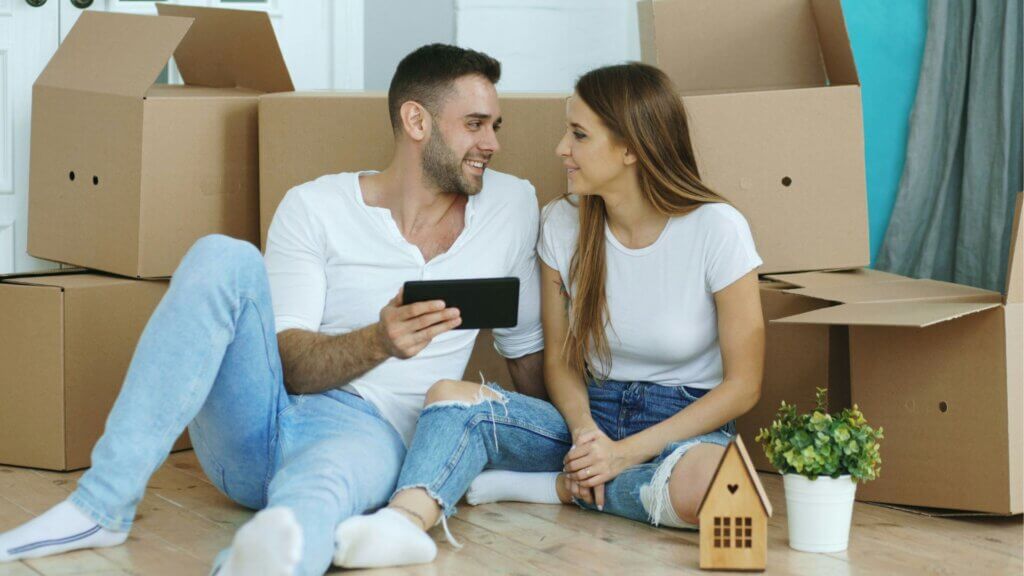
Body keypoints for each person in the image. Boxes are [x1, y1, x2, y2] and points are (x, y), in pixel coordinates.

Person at [0, 44, 546, 576]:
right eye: (475, 124)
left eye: (496, 125)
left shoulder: (511, 205)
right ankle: (100, 506)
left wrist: (567, 448)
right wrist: (379, 341)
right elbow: (289, 365)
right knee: (223, 256)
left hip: (371, 433)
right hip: (259, 418)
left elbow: (524, 349)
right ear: (416, 121)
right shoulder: (316, 206)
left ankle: (265, 556)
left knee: (311, 500)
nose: (492, 142)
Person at [332, 62, 765, 569]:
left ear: (630, 148)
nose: (561, 148)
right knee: (451, 399)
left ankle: (560, 488)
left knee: (728, 492)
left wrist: (623, 454)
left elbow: (743, 386)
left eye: (578, 135)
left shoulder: (717, 229)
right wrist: (587, 437)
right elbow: (560, 362)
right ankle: (402, 523)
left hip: (683, 425)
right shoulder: (562, 224)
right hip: (589, 417)